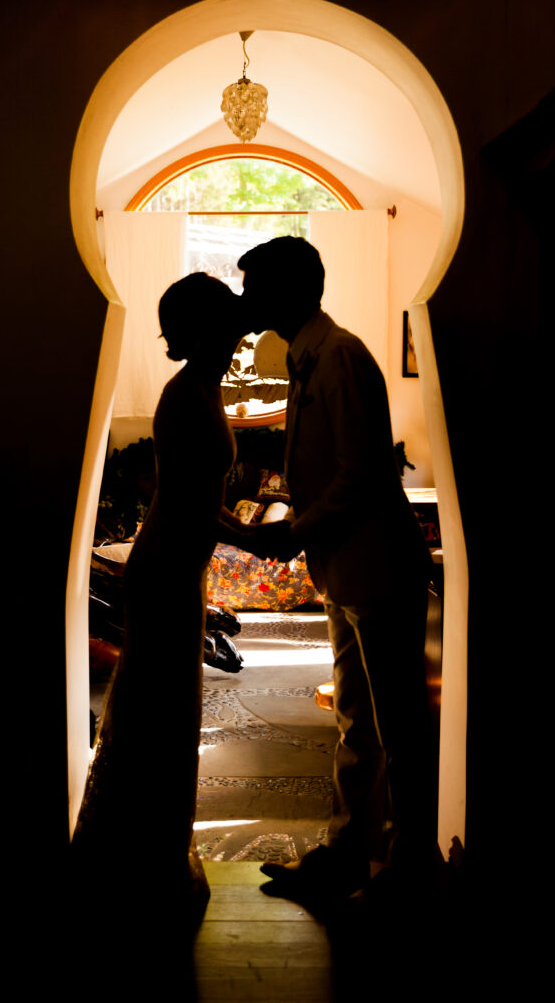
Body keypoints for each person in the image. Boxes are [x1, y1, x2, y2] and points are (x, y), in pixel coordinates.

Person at [239, 237, 437, 901]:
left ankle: (410, 866)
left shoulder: (341, 358)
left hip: (376, 569)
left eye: (255, 287)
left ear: (289, 290)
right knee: (356, 718)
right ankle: (346, 851)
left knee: (399, 725)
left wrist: (293, 533)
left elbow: (360, 474)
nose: (247, 300)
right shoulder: (309, 358)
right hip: (346, 570)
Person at [73, 272, 252, 917]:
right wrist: (262, 541)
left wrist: (248, 531)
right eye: (230, 330)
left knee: (167, 718)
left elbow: (204, 503)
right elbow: (184, 506)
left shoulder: (204, 389)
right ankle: (136, 865)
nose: (240, 340)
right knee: (157, 718)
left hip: (181, 571)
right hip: (165, 572)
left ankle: (145, 853)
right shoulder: (184, 398)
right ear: (202, 332)